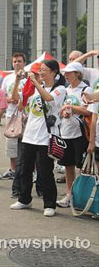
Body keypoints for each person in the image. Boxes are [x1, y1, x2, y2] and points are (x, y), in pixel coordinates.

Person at [10, 60, 66, 217]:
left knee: (45, 172)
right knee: (24, 170)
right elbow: (16, 99)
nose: (41, 73)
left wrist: (35, 81)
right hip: (29, 135)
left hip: (45, 137)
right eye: (39, 70)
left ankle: (50, 204)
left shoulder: (59, 89)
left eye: (44, 70)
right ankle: (24, 199)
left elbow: (48, 98)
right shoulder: (33, 89)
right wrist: (17, 81)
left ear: (54, 72)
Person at [56, 62, 91, 208]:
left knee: (81, 167)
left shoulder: (86, 89)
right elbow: (60, 108)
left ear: (77, 73)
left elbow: (89, 111)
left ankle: (82, 196)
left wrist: (71, 107)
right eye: (66, 73)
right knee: (68, 165)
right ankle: (69, 194)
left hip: (80, 134)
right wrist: (63, 111)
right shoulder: (65, 90)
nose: (66, 75)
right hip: (65, 132)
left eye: (69, 73)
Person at [0, 53, 27, 180]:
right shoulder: (7, 79)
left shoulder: (29, 78)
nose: (17, 63)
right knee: (11, 144)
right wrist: (9, 99)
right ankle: (13, 169)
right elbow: (2, 96)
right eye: (15, 61)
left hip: (26, 115)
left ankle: (28, 170)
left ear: (24, 63)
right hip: (11, 115)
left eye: (19, 61)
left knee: (26, 145)